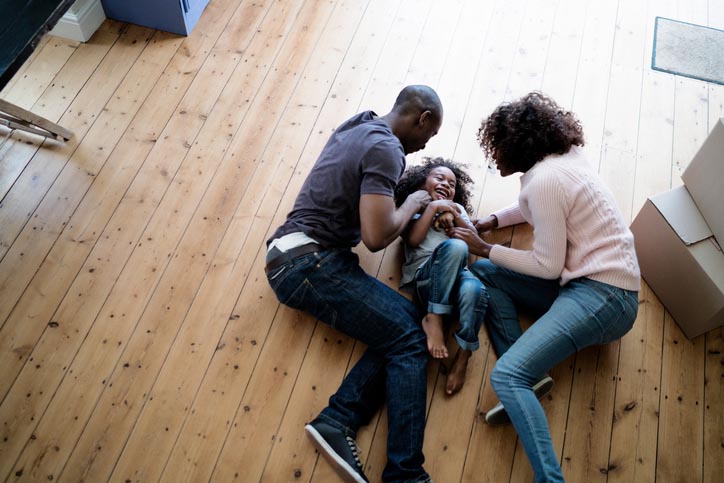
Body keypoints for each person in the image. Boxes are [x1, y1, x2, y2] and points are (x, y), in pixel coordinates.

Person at [449, 92, 640, 482]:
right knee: (487, 274)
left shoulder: (546, 181)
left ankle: (549, 479)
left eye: (497, 149)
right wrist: (493, 221)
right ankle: (528, 373)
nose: (495, 158)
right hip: (590, 288)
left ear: (518, 146)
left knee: (504, 377)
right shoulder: (564, 160)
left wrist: (483, 247)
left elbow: (547, 266)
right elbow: (541, 206)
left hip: (606, 297)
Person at [265, 85, 443, 483]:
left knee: (411, 326)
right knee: (411, 340)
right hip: (309, 262)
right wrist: (414, 202)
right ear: (423, 118)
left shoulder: (358, 125)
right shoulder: (388, 148)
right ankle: (405, 476)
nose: (420, 147)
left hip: (300, 257)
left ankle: (339, 418)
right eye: (427, 137)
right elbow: (376, 237)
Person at [394, 157, 487, 395]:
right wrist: (435, 208)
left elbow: (474, 244)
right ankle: (433, 317)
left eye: (452, 182)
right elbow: (413, 240)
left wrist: (453, 214)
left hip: (457, 284)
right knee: (456, 247)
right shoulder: (413, 208)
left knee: (476, 288)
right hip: (426, 280)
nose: (446, 183)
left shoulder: (458, 210)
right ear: (421, 184)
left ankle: (463, 355)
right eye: (439, 178)